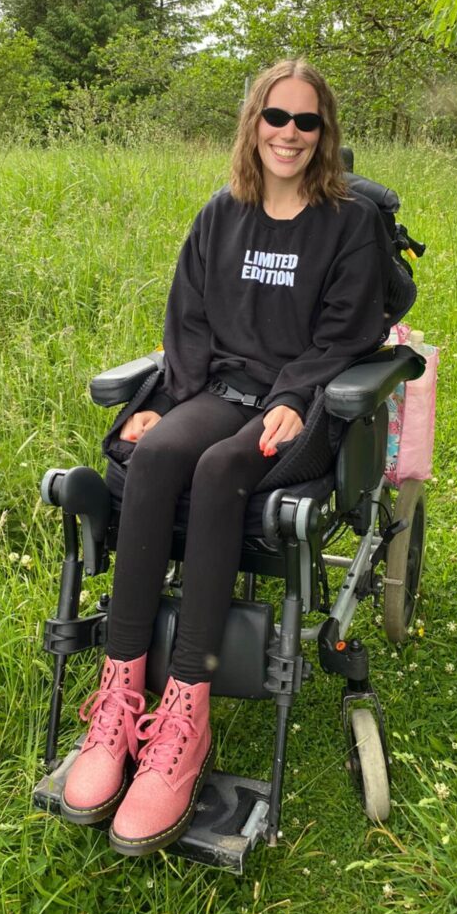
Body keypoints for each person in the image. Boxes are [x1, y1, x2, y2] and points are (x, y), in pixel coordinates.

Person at [60, 58, 389, 855]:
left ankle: (186, 710)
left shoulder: (346, 223)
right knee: (163, 453)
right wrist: (166, 404)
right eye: (277, 117)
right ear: (255, 123)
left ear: (325, 133)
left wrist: (292, 395)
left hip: (298, 402)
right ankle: (120, 694)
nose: (290, 134)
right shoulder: (221, 213)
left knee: (218, 470)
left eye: (307, 122)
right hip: (221, 388)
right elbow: (190, 319)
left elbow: (346, 330)